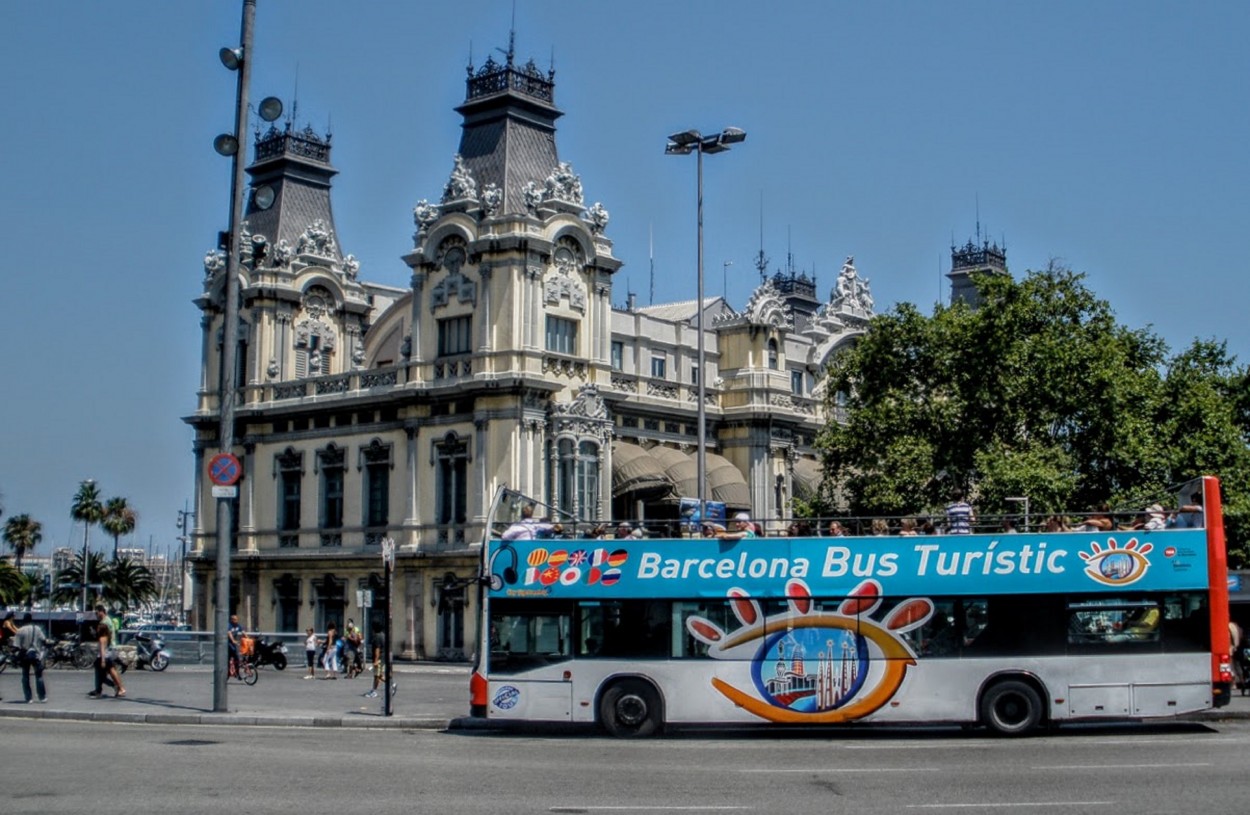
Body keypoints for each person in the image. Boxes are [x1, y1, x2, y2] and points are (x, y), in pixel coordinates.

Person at [89, 605, 125, 699]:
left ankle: (119, 688)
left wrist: (103, 660)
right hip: (108, 648)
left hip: (109, 649)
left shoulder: (106, 622)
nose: (96, 615)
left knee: (110, 670)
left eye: (97, 613)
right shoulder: (105, 620)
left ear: (102, 611)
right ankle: (100, 689)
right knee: (105, 672)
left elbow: (105, 636)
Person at [14, 612, 48, 703]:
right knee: (39, 676)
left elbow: (16, 646)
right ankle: (42, 697)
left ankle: (29, 698)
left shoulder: (20, 630)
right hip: (36, 655)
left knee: (25, 676)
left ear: (24, 620)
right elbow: (44, 640)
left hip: (25, 656)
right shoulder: (37, 628)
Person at [363, 632, 396, 699]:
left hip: (379, 659)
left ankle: (374, 691)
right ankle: (392, 684)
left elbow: (377, 650)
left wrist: (376, 660)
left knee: (377, 676)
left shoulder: (377, 637)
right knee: (379, 675)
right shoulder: (383, 635)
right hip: (382, 658)